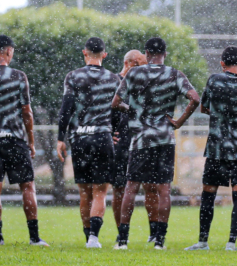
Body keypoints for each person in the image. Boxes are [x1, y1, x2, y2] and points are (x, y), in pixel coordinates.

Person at [111, 37, 200, 250]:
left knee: (131, 186)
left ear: (146, 52)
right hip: (165, 139)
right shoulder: (174, 74)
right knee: (164, 189)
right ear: (165, 54)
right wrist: (179, 121)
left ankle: (123, 240)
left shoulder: (134, 73)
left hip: (140, 139)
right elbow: (195, 99)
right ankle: (160, 241)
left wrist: (131, 110)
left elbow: (115, 103)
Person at [0, 35, 47, 246]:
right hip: (14, 139)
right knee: (27, 187)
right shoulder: (18, 76)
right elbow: (27, 112)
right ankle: (34, 238)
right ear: (9, 51)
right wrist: (31, 141)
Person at [185, 47, 237, 252]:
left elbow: (204, 108)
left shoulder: (214, 80)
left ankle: (202, 241)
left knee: (208, 193)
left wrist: (220, 115)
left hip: (217, 146)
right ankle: (231, 243)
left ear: (222, 63)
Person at [56, 37, 123, 249]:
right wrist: (114, 130)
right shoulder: (114, 79)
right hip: (102, 138)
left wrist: (60, 138)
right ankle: (94, 237)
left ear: (85, 52)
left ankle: (88, 237)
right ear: (104, 54)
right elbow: (119, 109)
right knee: (100, 191)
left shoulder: (73, 76)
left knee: (84, 192)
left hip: (80, 138)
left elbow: (66, 109)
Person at [111, 50, 147, 240]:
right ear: (132, 63)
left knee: (151, 186)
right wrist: (109, 134)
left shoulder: (143, 84)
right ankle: (121, 233)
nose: (146, 68)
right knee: (119, 189)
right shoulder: (114, 82)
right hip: (122, 144)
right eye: (142, 64)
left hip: (142, 141)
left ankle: (155, 234)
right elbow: (104, 110)